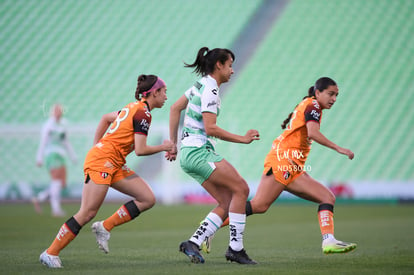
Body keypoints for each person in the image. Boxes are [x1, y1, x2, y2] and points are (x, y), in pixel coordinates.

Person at [203, 77, 357, 254]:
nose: (334, 99)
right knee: (259, 205)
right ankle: (207, 229)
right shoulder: (313, 105)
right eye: (331, 94)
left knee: (326, 197)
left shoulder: (310, 105)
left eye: (337, 95)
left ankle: (329, 241)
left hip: (292, 165)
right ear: (318, 93)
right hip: (282, 161)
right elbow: (313, 133)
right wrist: (339, 148)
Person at [39, 74, 174, 268]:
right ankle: (50, 253)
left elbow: (105, 119)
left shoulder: (132, 108)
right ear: (154, 93)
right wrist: (165, 146)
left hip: (113, 162)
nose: (166, 96)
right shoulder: (143, 113)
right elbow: (141, 149)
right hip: (103, 161)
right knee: (87, 212)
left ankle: (105, 226)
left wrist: (97, 146)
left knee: (147, 198)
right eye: (164, 92)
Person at [166, 47, 260, 264]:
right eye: (230, 65)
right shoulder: (211, 89)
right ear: (219, 65)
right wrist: (243, 138)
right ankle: (235, 249)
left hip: (190, 154)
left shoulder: (200, 85)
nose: (232, 71)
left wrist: (173, 144)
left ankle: (193, 243)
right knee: (242, 189)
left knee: (227, 202)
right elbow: (211, 129)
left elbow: (174, 108)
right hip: (199, 152)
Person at [34, 103, 77, 217]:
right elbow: (43, 142)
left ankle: (40, 198)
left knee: (61, 183)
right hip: (51, 154)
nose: (59, 112)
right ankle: (56, 209)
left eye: (60, 110)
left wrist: (72, 156)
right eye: (56, 110)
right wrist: (39, 158)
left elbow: (66, 141)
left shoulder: (63, 124)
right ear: (53, 112)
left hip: (61, 155)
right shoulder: (48, 125)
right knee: (56, 180)